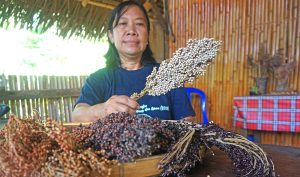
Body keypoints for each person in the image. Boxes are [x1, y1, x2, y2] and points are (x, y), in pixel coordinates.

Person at [72, 0, 195, 123]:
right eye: (123, 23)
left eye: (139, 24)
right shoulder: (99, 79)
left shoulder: (168, 74)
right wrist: (102, 110)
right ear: (111, 36)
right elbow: (77, 115)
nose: (131, 30)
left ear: (147, 36)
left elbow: (187, 121)